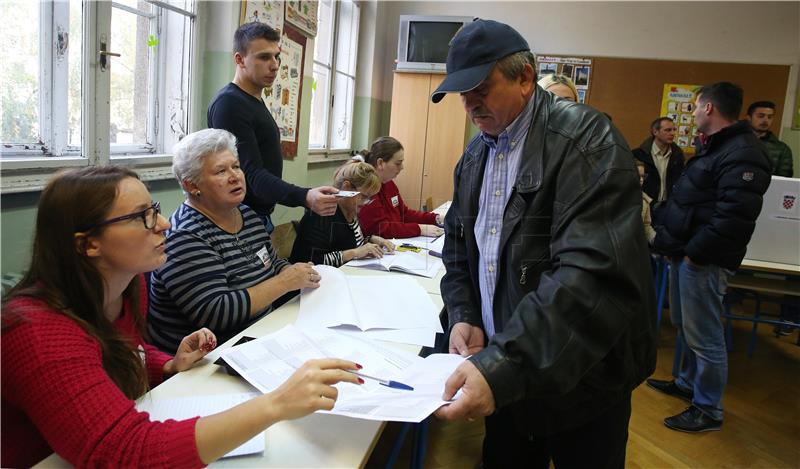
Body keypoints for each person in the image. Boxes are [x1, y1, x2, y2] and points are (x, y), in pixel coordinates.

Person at [1, 166, 361, 468]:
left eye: (154, 208)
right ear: (88, 244)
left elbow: (117, 355)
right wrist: (275, 405)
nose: (164, 224)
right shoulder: (38, 331)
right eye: (143, 216)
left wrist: (167, 365)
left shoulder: (124, 290)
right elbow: (124, 452)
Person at [429, 19, 656, 468]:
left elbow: (589, 277)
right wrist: (465, 314)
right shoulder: (475, 155)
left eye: (481, 88)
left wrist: (503, 367)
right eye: (461, 93)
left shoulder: (587, 141)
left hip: (583, 380)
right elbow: (458, 250)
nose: (470, 104)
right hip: (510, 373)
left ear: (525, 78)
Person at [648, 82, 771, 433]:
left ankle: (708, 408)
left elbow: (734, 217)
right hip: (685, 253)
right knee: (688, 328)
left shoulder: (742, 152)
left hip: (702, 261)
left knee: (706, 337)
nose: (693, 113)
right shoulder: (717, 147)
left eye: (696, 106)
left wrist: (695, 257)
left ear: (710, 109)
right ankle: (686, 382)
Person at [148, 129, 322, 353]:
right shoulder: (186, 235)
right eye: (221, 171)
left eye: (236, 166)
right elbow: (217, 313)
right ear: (191, 185)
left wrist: (299, 275)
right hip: (207, 360)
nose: (235, 176)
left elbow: (271, 263)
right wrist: (286, 282)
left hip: (257, 337)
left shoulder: (247, 214)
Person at [207, 22, 338, 233]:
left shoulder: (253, 101)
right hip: (241, 218)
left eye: (277, 56)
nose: (275, 65)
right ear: (240, 59)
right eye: (264, 57)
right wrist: (305, 196)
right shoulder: (230, 104)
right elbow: (251, 173)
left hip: (257, 217)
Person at [290, 156, 395, 266]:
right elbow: (310, 261)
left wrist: (371, 240)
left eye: (369, 198)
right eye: (364, 196)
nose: (365, 203)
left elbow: (349, 243)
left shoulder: (350, 211)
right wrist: (354, 253)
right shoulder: (322, 214)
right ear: (346, 187)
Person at [358, 136, 445, 239]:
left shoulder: (389, 183)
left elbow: (404, 213)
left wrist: (435, 218)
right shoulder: (367, 189)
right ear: (380, 163)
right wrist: (419, 229)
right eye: (398, 163)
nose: (402, 167)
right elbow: (381, 229)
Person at [632, 117, 685, 204]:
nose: (672, 133)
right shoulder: (638, 155)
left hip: (669, 205)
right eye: (668, 130)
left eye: (674, 130)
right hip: (646, 204)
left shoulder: (677, 155)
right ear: (655, 132)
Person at [746, 100, 794, 177]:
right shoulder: (736, 140)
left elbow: (784, 180)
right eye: (761, 116)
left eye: (769, 117)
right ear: (749, 118)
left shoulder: (782, 149)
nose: (765, 120)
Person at [635, 160, 656, 244]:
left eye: (643, 176)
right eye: (638, 176)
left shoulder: (645, 200)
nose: (641, 180)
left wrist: (656, 240)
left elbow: (646, 226)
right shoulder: (617, 197)